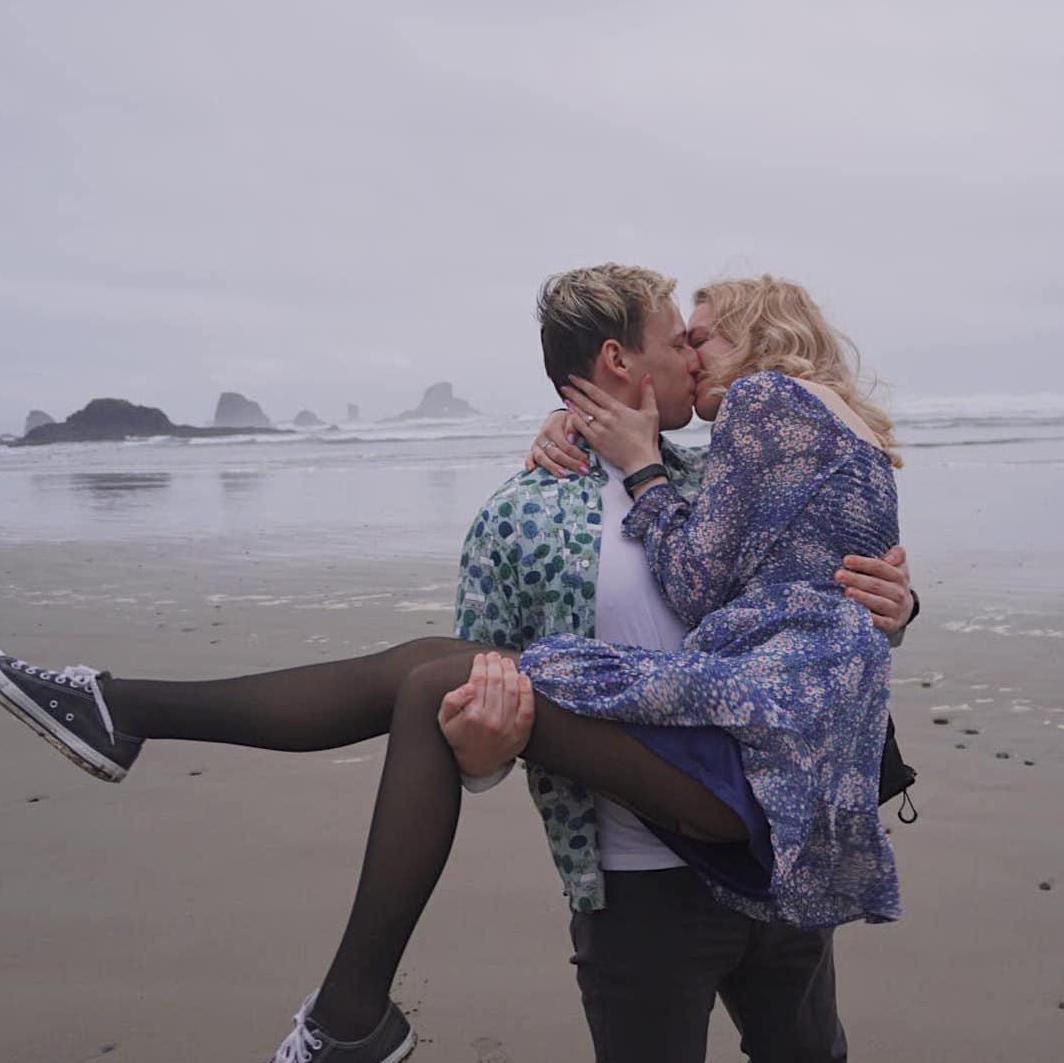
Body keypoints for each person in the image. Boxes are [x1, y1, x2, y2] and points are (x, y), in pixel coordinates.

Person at [0, 267, 912, 1063]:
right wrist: (482, 746)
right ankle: (127, 716)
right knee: (441, 675)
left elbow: (815, 583)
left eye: (697, 338)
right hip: (638, 885)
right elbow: (470, 749)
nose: (692, 356)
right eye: (680, 340)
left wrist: (900, 604)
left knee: (809, 1051)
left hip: (773, 825)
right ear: (617, 361)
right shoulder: (522, 518)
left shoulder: (719, 466)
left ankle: (133, 720)